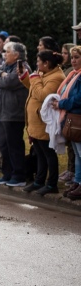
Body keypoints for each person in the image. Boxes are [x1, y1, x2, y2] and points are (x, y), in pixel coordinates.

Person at [19, 50, 65, 195]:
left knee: (49, 155)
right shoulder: (43, 74)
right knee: (40, 154)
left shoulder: (56, 77)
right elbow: (33, 88)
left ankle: (52, 184)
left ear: (46, 63)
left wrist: (34, 77)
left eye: (39, 61)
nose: (37, 64)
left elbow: (42, 95)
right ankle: (39, 181)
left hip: (44, 124)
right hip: (36, 123)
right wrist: (25, 76)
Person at [0, 41, 30, 187]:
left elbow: (10, 82)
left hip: (14, 113)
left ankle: (19, 175)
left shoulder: (23, 67)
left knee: (14, 145)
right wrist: (1, 74)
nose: (4, 55)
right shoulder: (5, 66)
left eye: (8, 52)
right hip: (1, 112)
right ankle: (7, 173)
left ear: (16, 55)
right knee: (4, 145)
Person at [53, 45, 81, 199]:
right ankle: (77, 181)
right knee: (77, 153)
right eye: (73, 57)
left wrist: (61, 104)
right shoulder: (73, 74)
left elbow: (78, 99)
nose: (74, 60)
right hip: (72, 118)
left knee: (80, 153)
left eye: (77, 57)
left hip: (78, 117)